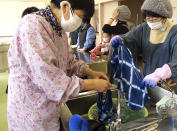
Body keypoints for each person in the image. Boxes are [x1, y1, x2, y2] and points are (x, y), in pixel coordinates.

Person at [7, 0, 111, 131]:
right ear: (65, 6)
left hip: (49, 109)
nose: (79, 22)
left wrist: (91, 73)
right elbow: (50, 81)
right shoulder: (32, 26)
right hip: (31, 114)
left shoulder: (58, 30)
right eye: (80, 17)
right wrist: (93, 84)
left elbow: (69, 61)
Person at [110, 0, 177, 95]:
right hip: (148, 81)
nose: (150, 21)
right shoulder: (144, 28)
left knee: (167, 107)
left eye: (154, 18)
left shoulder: (176, 32)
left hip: (169, 86)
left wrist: (159, 74)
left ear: (164, 16)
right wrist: (121, 40)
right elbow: (130, 39)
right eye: (148, 17)